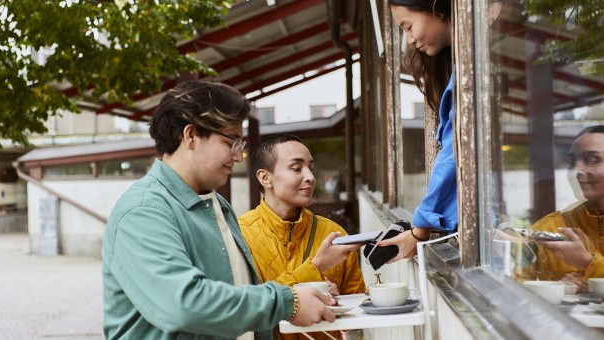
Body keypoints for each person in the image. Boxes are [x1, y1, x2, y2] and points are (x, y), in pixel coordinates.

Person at [102, 81, 336, 340]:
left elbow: (238, 292)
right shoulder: (144, 211)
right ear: (190, 136)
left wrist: (307, 297)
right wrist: (287, 302)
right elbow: (184, 305)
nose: (239, 157)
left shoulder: (216, 204)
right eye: (231, 143)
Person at [238, 134, 365, 340]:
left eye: (310, 168)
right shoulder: (240, 234)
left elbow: (359, 318)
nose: (310, 177)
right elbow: (244, 308)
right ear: (265, 177)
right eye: (296, 168)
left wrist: (340, 303)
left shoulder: (334, 234)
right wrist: (315, 269)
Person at [377, 0, 456, 260]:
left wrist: (418, 230)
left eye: (409, 27)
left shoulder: (469, 71)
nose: (410, 39)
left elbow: (453, 156)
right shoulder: (456, 69)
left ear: (436, 7)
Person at [518, 126, 604, 292]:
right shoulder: (550, 228)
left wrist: (587, 263)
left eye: (592, 160)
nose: (577, 171)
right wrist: (556, 289)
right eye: (572, 162)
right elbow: (512, 285)